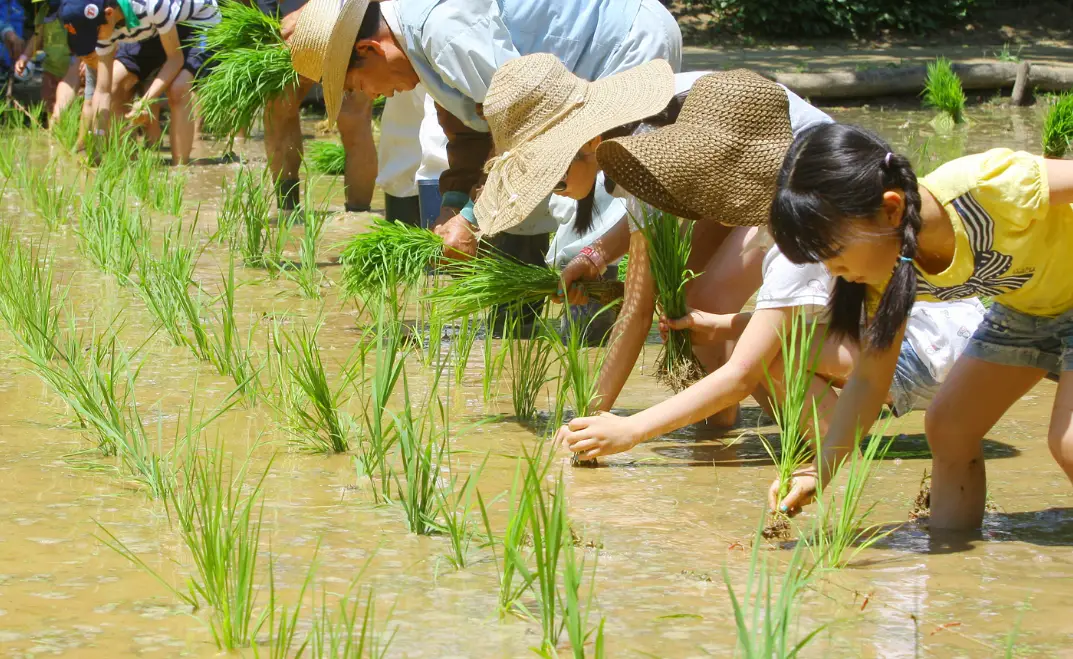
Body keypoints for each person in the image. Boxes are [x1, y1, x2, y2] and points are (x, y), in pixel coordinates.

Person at [475, 61, 832, 425]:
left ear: (588, 143)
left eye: (555, 181)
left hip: (796, 180)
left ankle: (810, 433)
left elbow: (637, 312)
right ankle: (721, 430)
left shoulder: (650, 146)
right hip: (732, 172)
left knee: (701, 307)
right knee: (692, 309)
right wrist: (595, 254)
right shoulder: (631, 130)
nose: (560, 194)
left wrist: (586, 422)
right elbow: (647, 221)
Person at [764, 122, 1073, 531]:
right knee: (949, 426)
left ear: (891, 208)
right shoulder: (885, 271)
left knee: (1068, 444)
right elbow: (869, 382)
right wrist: (818, 470)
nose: (831, 271)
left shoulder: (980, 187)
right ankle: (951, 562)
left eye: (834, 254)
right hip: (1025, 312)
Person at [284, 0, 682, 303]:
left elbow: (525, 125)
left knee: (607, 217)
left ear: (371, 49)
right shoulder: (415, 42)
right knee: (526, 221)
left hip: (622, 48)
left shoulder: (446, 33)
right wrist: (456, 202)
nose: (373, 96)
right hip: (563, 83)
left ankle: (605, 348)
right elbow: (473, 127)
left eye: (356, 84)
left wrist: (472, 218)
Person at [253, 0, 376, 216]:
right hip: (283, 10)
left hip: (345, 11)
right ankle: (289, 211)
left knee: (353, 114)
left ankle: (357, 216)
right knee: (280, 106)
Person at [59, 0, 219, 164]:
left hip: (198, 22)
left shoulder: (152, 5)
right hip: (156, 29)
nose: (96, 40)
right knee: (114, 83)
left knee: (178, 88)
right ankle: (128, 162)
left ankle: (180, 170)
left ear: (109, 13)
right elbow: (102, 90)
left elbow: (175, 60)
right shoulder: (103, 27)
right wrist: (97, 142)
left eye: (94, 33)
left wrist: (145, 102)